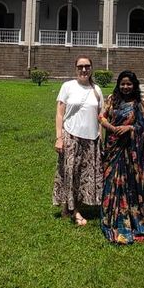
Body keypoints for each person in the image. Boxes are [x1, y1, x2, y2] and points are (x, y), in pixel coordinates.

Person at [98, 71, 144, 245]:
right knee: (111, 181)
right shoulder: (112, 99)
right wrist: (111, 127)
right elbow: (101, 117)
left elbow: (142, 126)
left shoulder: (137, 105)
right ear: (118, 84)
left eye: (129, 84)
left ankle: (132, 221)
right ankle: (110, 219)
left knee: (130, 184)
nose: (125, 87)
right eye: (122, 84)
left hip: (130, 152)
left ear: (134, 86)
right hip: (113, 148)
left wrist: (129, 129)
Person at [54, 55, 103, 226]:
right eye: (81, 66)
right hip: (71, 136)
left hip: (91, 139)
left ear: (91, 68)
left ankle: (72, 206)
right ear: (76, 68)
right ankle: (74, 211)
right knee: (70, 173)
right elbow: (60, 113)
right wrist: (59, 138)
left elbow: (100, 117)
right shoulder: (68, 86)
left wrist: (101, 138)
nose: (84, 69)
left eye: (87, 66)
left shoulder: (96, 89)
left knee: (84, 175)